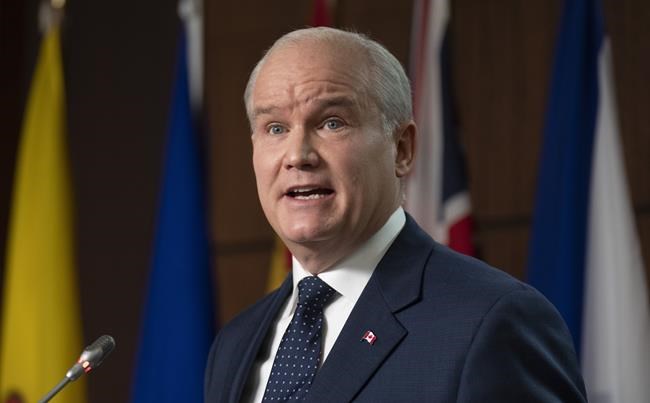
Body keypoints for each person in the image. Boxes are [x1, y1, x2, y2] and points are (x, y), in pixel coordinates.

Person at [204, 27, 587, 402]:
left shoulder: (491, 321)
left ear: (402, 149)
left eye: (332, 122)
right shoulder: (235, 345)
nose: (297, 155)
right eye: (275, 128)